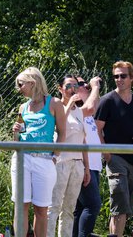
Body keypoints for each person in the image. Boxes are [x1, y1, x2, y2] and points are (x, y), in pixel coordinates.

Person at [94, 61, 133, 237]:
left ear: (131, 78)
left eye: (123, 76)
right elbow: (97, 129)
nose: (119, 79)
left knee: (125, 208)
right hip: (115, 158)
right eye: (116, 76)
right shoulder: (107, 101)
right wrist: (106, 152)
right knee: (120, 202)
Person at [11, 67, 66, 237]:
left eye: (20, 84)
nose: (18, 88)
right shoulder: (23, 107)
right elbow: (17, 140)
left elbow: (63, 133)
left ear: (32, 83)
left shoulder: (54, 103)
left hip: (44, 159)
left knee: (41, 209)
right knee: (21, 206)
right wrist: (15, 132)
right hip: (22, 159)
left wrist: (55, 156)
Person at [47, 74, 101, 237]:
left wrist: (85, 167)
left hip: (77, 164)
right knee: (54, 207)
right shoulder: (56, 108)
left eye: (75, 86)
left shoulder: (78, 111)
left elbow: (83, 140)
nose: (73, 90)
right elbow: (60, 124)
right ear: (60, 89)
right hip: (61, 162)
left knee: (69, 209)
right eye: (69, 86)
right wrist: (70, 102)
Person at [72, 77, 102, 237]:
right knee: (93, 205)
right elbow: (90, 106)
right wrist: (95, 86)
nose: (87, 87)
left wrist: (94, 89)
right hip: (84, 165)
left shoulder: (85, 110)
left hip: (93, 166)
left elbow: (94, 104)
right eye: (83, 85)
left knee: (80, 208)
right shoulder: (76, 111)